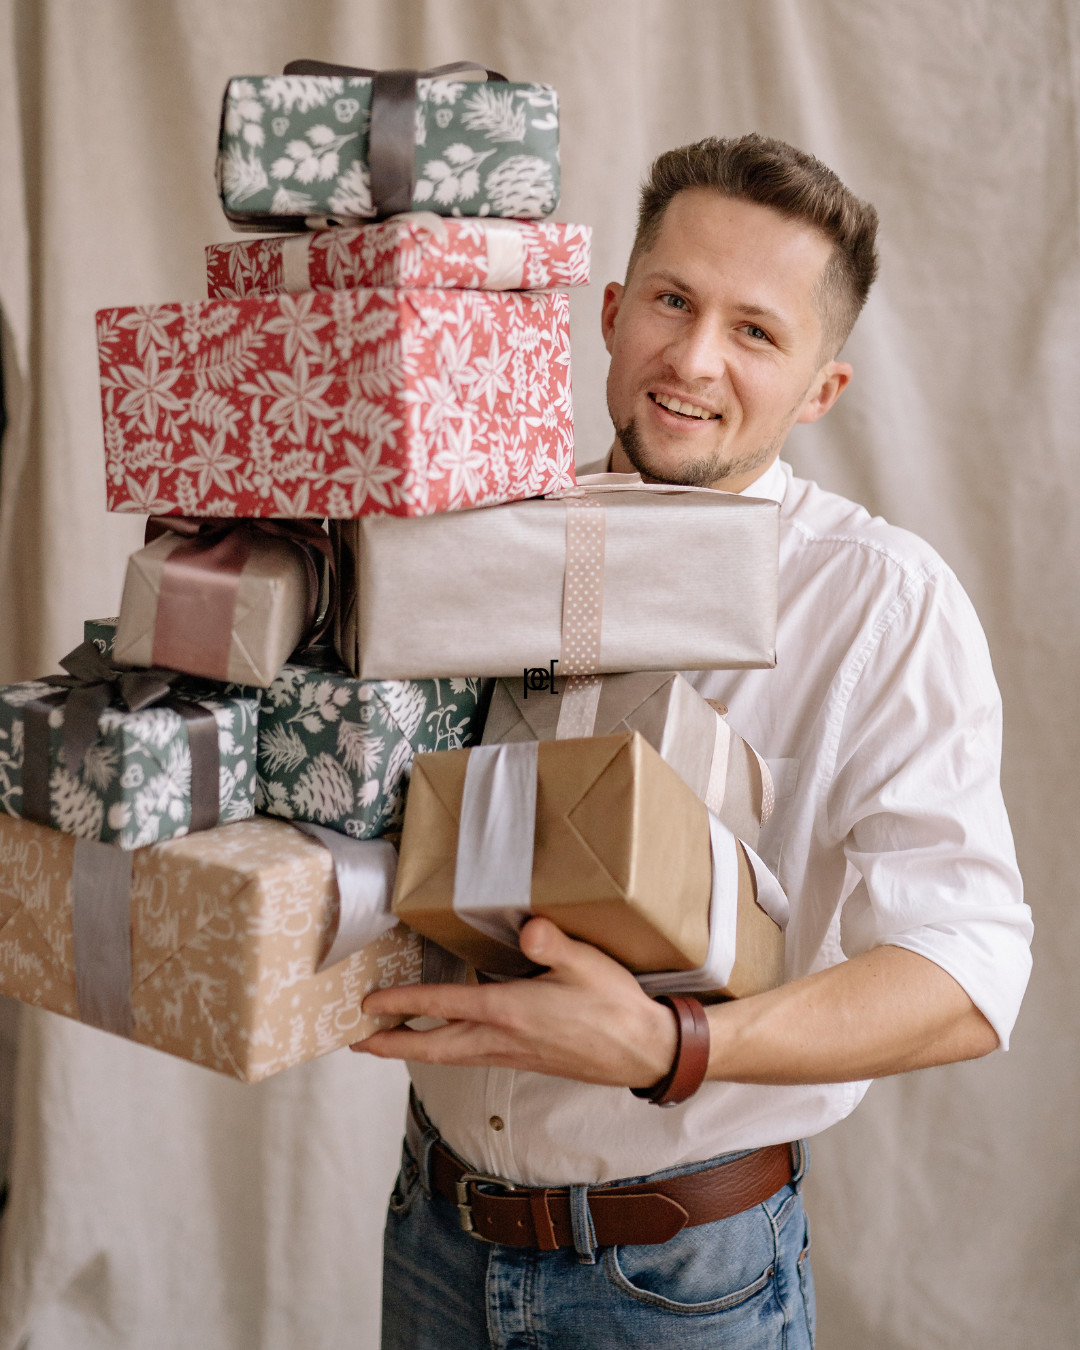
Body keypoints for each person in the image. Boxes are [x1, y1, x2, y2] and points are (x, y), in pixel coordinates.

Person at [353, 134, 1033, 1349]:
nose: (694, 358)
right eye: (671, 301)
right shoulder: (485, 545)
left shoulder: (882, 602)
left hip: (675, 1283)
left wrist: (673, 1045)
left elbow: (967, 974)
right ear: (611, 314)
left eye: (757, 332)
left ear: (822, 387)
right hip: (435, 1231)